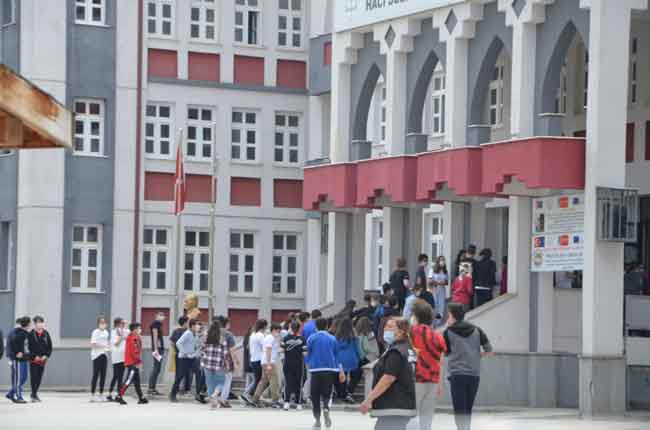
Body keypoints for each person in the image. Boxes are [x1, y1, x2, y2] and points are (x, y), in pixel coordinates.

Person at [444, 303, 494, 430]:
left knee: (459, 410)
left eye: (448, 315)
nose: (447, 318)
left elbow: (446, 352)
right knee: (467, 409)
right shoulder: (477, 330)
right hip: (474, 375)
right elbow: (489, 350)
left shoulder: (448, 332)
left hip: (457, 374)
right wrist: (477, 355)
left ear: (453, 316)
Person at [360, 318, 416, 430]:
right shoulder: (407, 348)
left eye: (390, 327)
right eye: (385, 326)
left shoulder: (396, 352)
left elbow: (388, 378)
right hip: (403, 404)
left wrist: (368, 399)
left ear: (401, 331)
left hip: (394, 405)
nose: (385, 329)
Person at [410, 300, 447, 430]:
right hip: (433, 381)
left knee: (411, 416)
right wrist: (440, 384)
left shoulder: (411, 332)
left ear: (416, 316)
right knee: (427, 418)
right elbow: (441, 362)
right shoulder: (438, 336)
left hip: (416, 379)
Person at [306, 317, 342, 430]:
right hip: (330, 369)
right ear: (327, 326)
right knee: (327, 393)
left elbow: (308, 352)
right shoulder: (332, 338)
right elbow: (337, 355)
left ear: (316, 326)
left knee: (315, 395)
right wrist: (340, 370)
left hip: (315, 370)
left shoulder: (311, 338)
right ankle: (326, 407)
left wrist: (309, 363)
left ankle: (317, 421)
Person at [116, 322, 148, 405]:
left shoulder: (133, 337)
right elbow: (134, 351)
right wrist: (139, 361)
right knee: (128, 380)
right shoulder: (134, 338)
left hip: (132, 362)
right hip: (132, 363)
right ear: (134, 330)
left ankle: (141, 397)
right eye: (139, 328)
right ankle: (119, 396)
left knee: (137, 381)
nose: (140, 330)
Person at [201, 319, 231, 409]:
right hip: (219, 364)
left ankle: (213, 403)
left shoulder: (206, 338)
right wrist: (228, 364)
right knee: (221, 382)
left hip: (207, 364)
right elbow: (225, 354)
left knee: (210, 384)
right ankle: (215, 395)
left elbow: (202, 350)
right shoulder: (222, 339)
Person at [170, 319, 202, 402]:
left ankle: (198, 394)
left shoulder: (195, 334)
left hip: (192, 358)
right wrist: (185, 352)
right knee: (180, 376)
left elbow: (195, 345)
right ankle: (172, 395)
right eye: (197, 325)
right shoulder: (187, 333)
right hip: (184, 358)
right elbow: (178, 343)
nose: (198, 326)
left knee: (199, 373)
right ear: (192, 326)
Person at [252, 323, 282, 408]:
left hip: (265, 362)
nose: (279, 333)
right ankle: (275, 400)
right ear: (274, 330)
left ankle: (255, 399)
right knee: (274, 381)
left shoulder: (269, 337)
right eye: (278, 331)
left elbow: (274, 350)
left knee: (264, 381)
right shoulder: (270, 338)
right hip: (269, 362)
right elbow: (268, 350)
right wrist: (269, 364)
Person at [349, 316, 378, 396]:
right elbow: (371, 348)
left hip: (361, 357)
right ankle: (350, 390)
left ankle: (349, 390)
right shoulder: (370, 334)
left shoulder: (357, 334)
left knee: (356, 374)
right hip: (369, 357)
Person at [6, 316, 32, 404]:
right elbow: (12, 343)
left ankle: (10, 393)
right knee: (18, 379)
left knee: (24, 377)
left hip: (24, 358)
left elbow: (26, 346)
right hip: (17, 360)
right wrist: (17, 353)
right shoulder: (17, 332)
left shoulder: (26, 333)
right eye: (30, 323)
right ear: (28, 324)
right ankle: (18, 396)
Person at [241, 318, 268, 405]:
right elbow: (265, 346)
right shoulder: (260, 335)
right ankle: (248, 394)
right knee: (261, 380)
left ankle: (252, 395)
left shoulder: (253, 334)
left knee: (258, 379)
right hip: (259, 360)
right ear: (264, 326)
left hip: (253, 359)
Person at [27, 315, 53, 402]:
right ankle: (34, 394)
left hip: (42, 360)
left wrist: (46, 355)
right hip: (34, 359)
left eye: (41, 322)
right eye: (38, 323)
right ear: (35, 324)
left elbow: (49, 347)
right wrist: (34, 356)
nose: (40, 324)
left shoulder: (46, 334)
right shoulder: (31, 334)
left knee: (39, 377)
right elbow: (29, 347)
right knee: (34, 377)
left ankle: (34, 394)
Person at [282, 320, 306, 410]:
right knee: (298, 384)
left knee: (287, 383)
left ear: (291, 328)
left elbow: (281, 350)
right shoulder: (303, 339)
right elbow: (305, 353)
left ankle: (286, 403)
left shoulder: (285, 338)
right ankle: (298, 404)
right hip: (299, 364)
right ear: (299, 328)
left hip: (287, 363)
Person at [334, 318, 359, 403]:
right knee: (354, 377)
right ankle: (349, 391)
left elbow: (335, 349)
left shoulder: (337, 337)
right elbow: (357, 348)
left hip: (340, 359)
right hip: (352, 358)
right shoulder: (353, 336)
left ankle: (342, 394)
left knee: (341, 377)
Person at [216, 316, 239, 407]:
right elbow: (232, 350)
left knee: (218, 381)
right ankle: (223, 400)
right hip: (226, 361)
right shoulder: (228, 334)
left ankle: (215, 397)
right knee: (227, 381)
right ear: (226, 324)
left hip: (214, 361)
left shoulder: (213, 332)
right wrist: (236, 362)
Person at [90, 316, 110, 402]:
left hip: (104, 354)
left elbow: (107, 343)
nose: (103, 324)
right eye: (101, 322)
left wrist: (108, 347)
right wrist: (103, 346)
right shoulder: (95, 332)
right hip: (96, 355)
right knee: (96, 374)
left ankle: (101, 394)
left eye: (104, 322)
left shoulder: (106, 332)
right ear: (98, 324)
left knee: (103, 375)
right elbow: (93, 344)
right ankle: (92, 395)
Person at [169, 316, 190, 395]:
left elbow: (172, 342)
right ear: (185, 323)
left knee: (178, 372)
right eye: (188, 322)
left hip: (178, 354)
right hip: (187, 355)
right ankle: (186, 390)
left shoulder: (176, 331)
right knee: (187, 373)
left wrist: (176, 350)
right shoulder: (188, 332)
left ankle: (176, 389)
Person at [108, 317, 127, 401]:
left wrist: (123, 334)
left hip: (123, 357)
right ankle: (110, 394)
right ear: (117, 324)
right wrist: (121, 337)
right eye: (121, 323)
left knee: (120, 376)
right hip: (116, 357)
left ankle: (118, 395)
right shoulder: (113, 332)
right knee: (116, 376)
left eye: (123, 323)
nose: (123, 325)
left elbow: (130, 334)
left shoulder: (124, 331)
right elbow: (116, 343)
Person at [148, 311, 166, 395]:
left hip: (159, 348)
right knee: (156, 368)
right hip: (157, 348)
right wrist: (156, 349)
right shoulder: (155, 324)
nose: (162, 317)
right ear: (156, 316)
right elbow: (155, 337)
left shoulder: (159, 324)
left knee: (157, 368)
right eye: (160, 315)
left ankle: (153, 388)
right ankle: (151, 388)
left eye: (163, 315)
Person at [429, 255, 449, 326]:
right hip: (434, 289)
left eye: (443, 260)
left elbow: (446, 282)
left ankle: (438, 323)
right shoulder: (432, 270)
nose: (442, 262)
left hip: (441, 290)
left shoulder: (445, 271)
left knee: (441, 307)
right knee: (434, 306)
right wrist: (438, 282)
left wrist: (441, 282)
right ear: (438, 261)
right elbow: (430, 280)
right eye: (441, 260)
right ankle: (433, 323)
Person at [241, 326, 255, 402]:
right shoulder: (251, 339)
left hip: (246, 363)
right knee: (255, 380)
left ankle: (245, 397)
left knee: (248, 381)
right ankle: (245, 394)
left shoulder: (246, 338)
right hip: (250, 363)